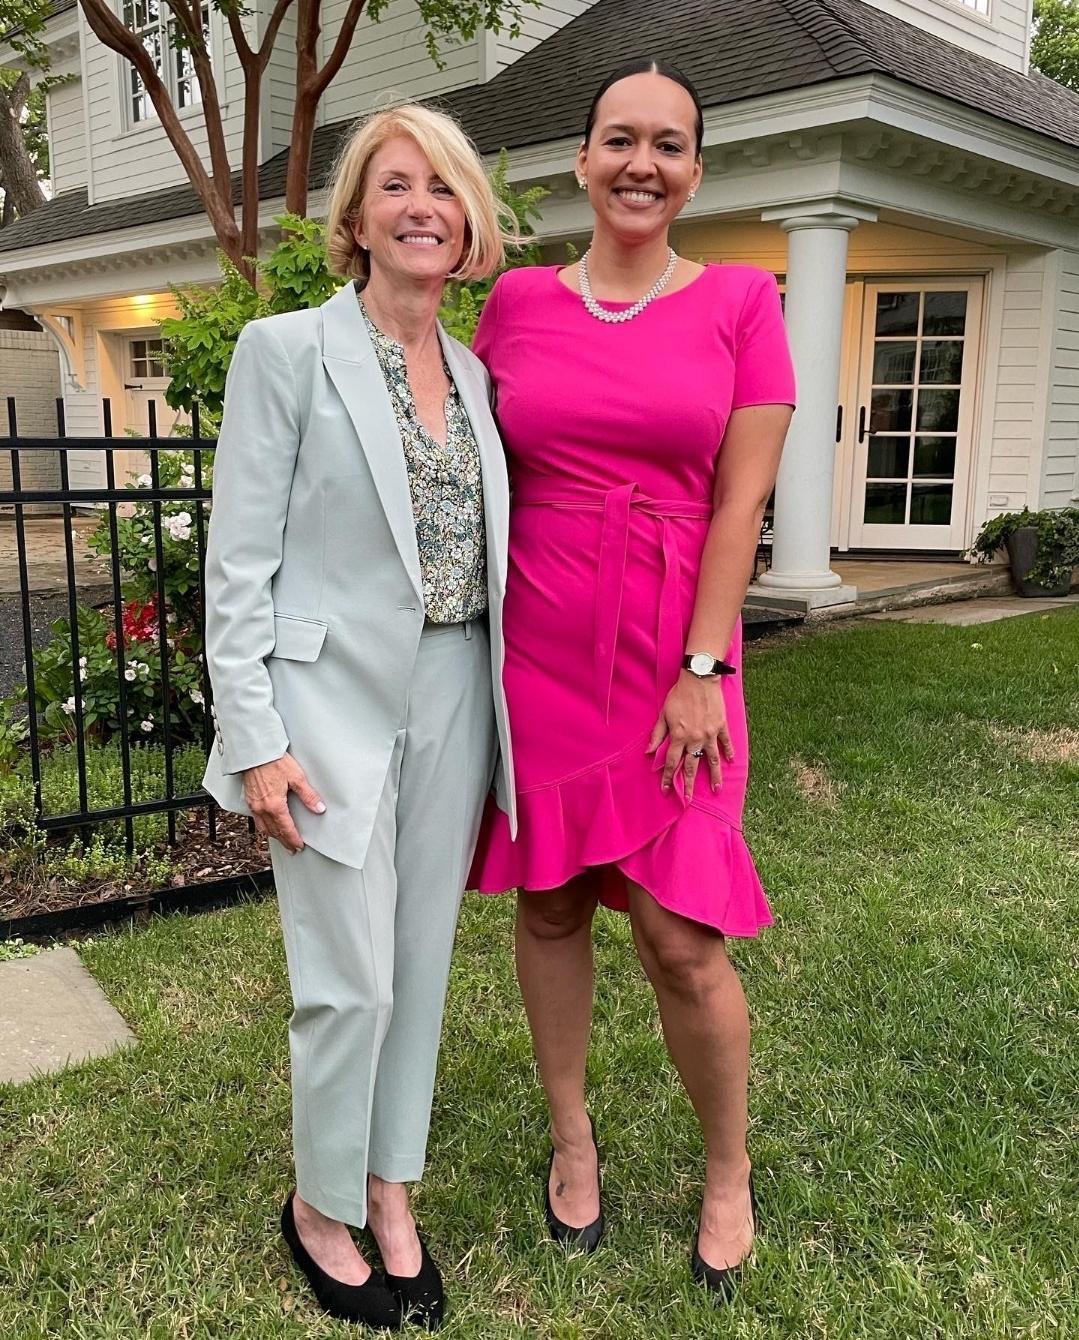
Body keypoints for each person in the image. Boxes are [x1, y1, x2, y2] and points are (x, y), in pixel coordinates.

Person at [469, 59, 795, 1299]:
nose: (639, 163)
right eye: (618, 139)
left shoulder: (738, 301)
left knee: (678, 932)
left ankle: (724, 1166)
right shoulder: (511, 307)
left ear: (695, 170)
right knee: (549, 901)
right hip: (539, 640)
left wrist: (705, 663)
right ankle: (571, 1140)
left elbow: (743, 495)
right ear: (581, 160)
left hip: (673, 644)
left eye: (666, 144)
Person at [201, 103, 517, 1331]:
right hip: (322, 700)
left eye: (440, 185)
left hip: (452, 689)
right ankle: (319, 1204)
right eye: (394, 185)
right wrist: (255, 738)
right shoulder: (286, 351)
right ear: (358, 217)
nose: (420, 205)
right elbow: (238, 564)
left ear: (467, 219)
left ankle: (391, 1190)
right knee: (349, 980)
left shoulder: (478, 374)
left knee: (419, 967)